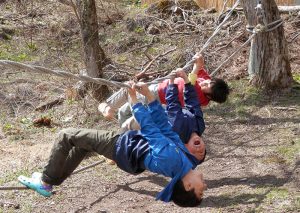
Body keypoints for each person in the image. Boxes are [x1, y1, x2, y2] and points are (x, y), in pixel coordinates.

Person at [18, 82, 207, 207]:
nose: (204, 185)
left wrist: (134, 100)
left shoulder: (173, 162)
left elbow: (151, 130)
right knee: (81, 145)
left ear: (188, 185)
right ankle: (51, 181)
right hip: (127, 149)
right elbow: (166, 129)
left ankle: (45, 181)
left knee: (66, 135)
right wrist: (150, 96)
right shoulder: (185, 162)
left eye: (201, 189)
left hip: (122, 148)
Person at [98, 53, 230, 125]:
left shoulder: (199, 99)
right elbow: (200, 70)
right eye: (209, 81)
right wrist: (200, 60)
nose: (205, 83)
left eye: (207, 87)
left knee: (129, 89)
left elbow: (190, 82)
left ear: (209, 97)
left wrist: (196, 68)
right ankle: (120, 130)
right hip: (156, 87)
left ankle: (109, 108)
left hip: (155, 96)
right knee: (123, 111)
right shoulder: (205, 81)